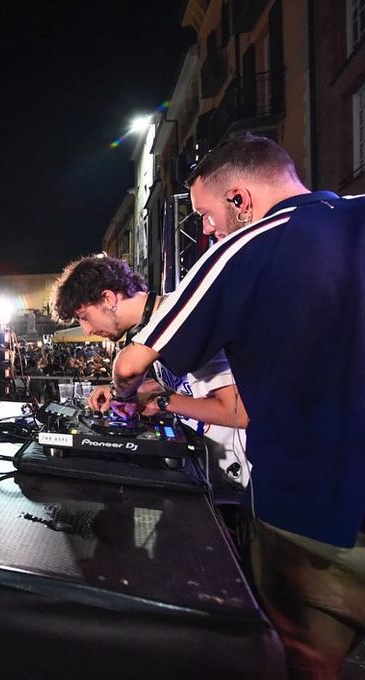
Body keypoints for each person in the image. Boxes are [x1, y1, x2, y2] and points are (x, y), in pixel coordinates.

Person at [106, 135, 365, 679]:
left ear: (240, 199)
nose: (206, 229)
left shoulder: (246, 247)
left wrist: (126, 397)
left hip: (309, 513)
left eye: (206, 214)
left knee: (303, 664)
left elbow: (131, 364)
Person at [52, 255, 249, 489]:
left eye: (84, 317)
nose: (86, 330)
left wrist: (161, 402)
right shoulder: (152, 328)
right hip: (209, 468)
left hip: (240, 477)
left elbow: (238, 412)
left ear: (108, 298)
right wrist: (133, 392)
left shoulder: (185, 319)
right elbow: (190, 385)